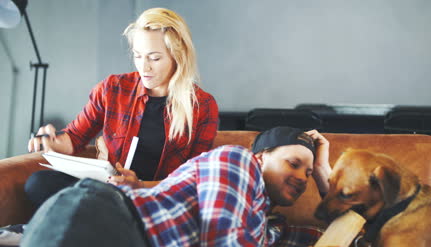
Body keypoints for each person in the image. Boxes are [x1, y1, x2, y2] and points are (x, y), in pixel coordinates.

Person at [0, 7, 218, 246]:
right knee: (38, 183)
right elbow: (73, 137)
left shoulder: (202, 106)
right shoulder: (113, 88)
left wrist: (139, 185)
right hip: (106, 191)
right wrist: (51, 142)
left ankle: (71, 227)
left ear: (178, 55)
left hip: (153, 198)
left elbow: (195, 180)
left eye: (154, 58)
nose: (144, 67)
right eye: (138, 55)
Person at [20, 126, 332, 247]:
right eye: (294, 164)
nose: (302, 179)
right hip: (112, 220)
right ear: (262, 158)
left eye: (308, 174)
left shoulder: (270, 226)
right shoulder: (238, 160)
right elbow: (223, 239)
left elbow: (345, 237)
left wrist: (323, 173)